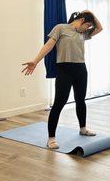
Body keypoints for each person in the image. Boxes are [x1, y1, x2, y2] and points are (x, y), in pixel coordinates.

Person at [22, 11, 103, 149]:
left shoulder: (83, 33)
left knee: (80, 100)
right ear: (82, 20)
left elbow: (100, 28)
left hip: (81, 70)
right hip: (64, 70)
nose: (88, 28)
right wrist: (35, 61)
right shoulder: (60, 28)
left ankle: (83, 129)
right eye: (88, 25)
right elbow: (48, 45)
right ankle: (51, 138)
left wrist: (90, 13)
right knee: (59, 103)